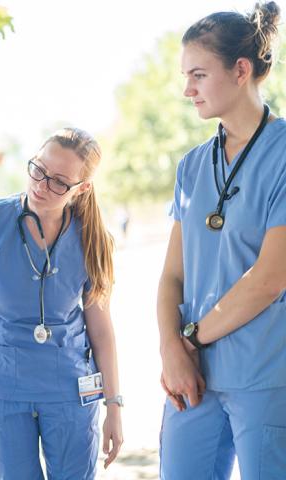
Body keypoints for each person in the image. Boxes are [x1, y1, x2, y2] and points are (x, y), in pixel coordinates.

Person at [0, 128, 123, 479]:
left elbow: (101, 331)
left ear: (81, 189)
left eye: (59, 182)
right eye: (38, 170)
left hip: (69, 389)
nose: (41, 185)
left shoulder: (92, 239)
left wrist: (114, 405)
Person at [157, 3, 286, 479]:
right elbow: (173, 273)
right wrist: (171, 348)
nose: (187, 89)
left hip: (265, 374)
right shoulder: (192, 166)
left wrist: (188, 339)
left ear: (241, 70)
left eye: (198, 74)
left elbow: (269, 279)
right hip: (192, 377)